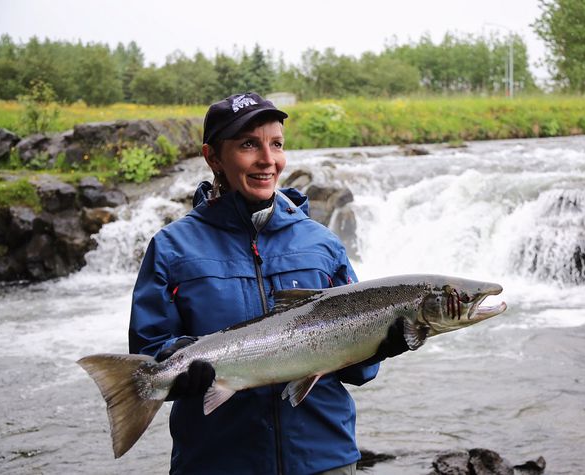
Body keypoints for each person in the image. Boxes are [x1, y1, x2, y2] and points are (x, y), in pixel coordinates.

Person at [128, 92, 408, 475]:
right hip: (216, 464)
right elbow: (148, 353)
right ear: (213, 157)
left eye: (276, 144)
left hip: (323, 460)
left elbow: (357, 373)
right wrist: (178, 362)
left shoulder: (322, 243)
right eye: (248, 145)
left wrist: (380, 346)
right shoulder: (171, 248)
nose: (268, 160)